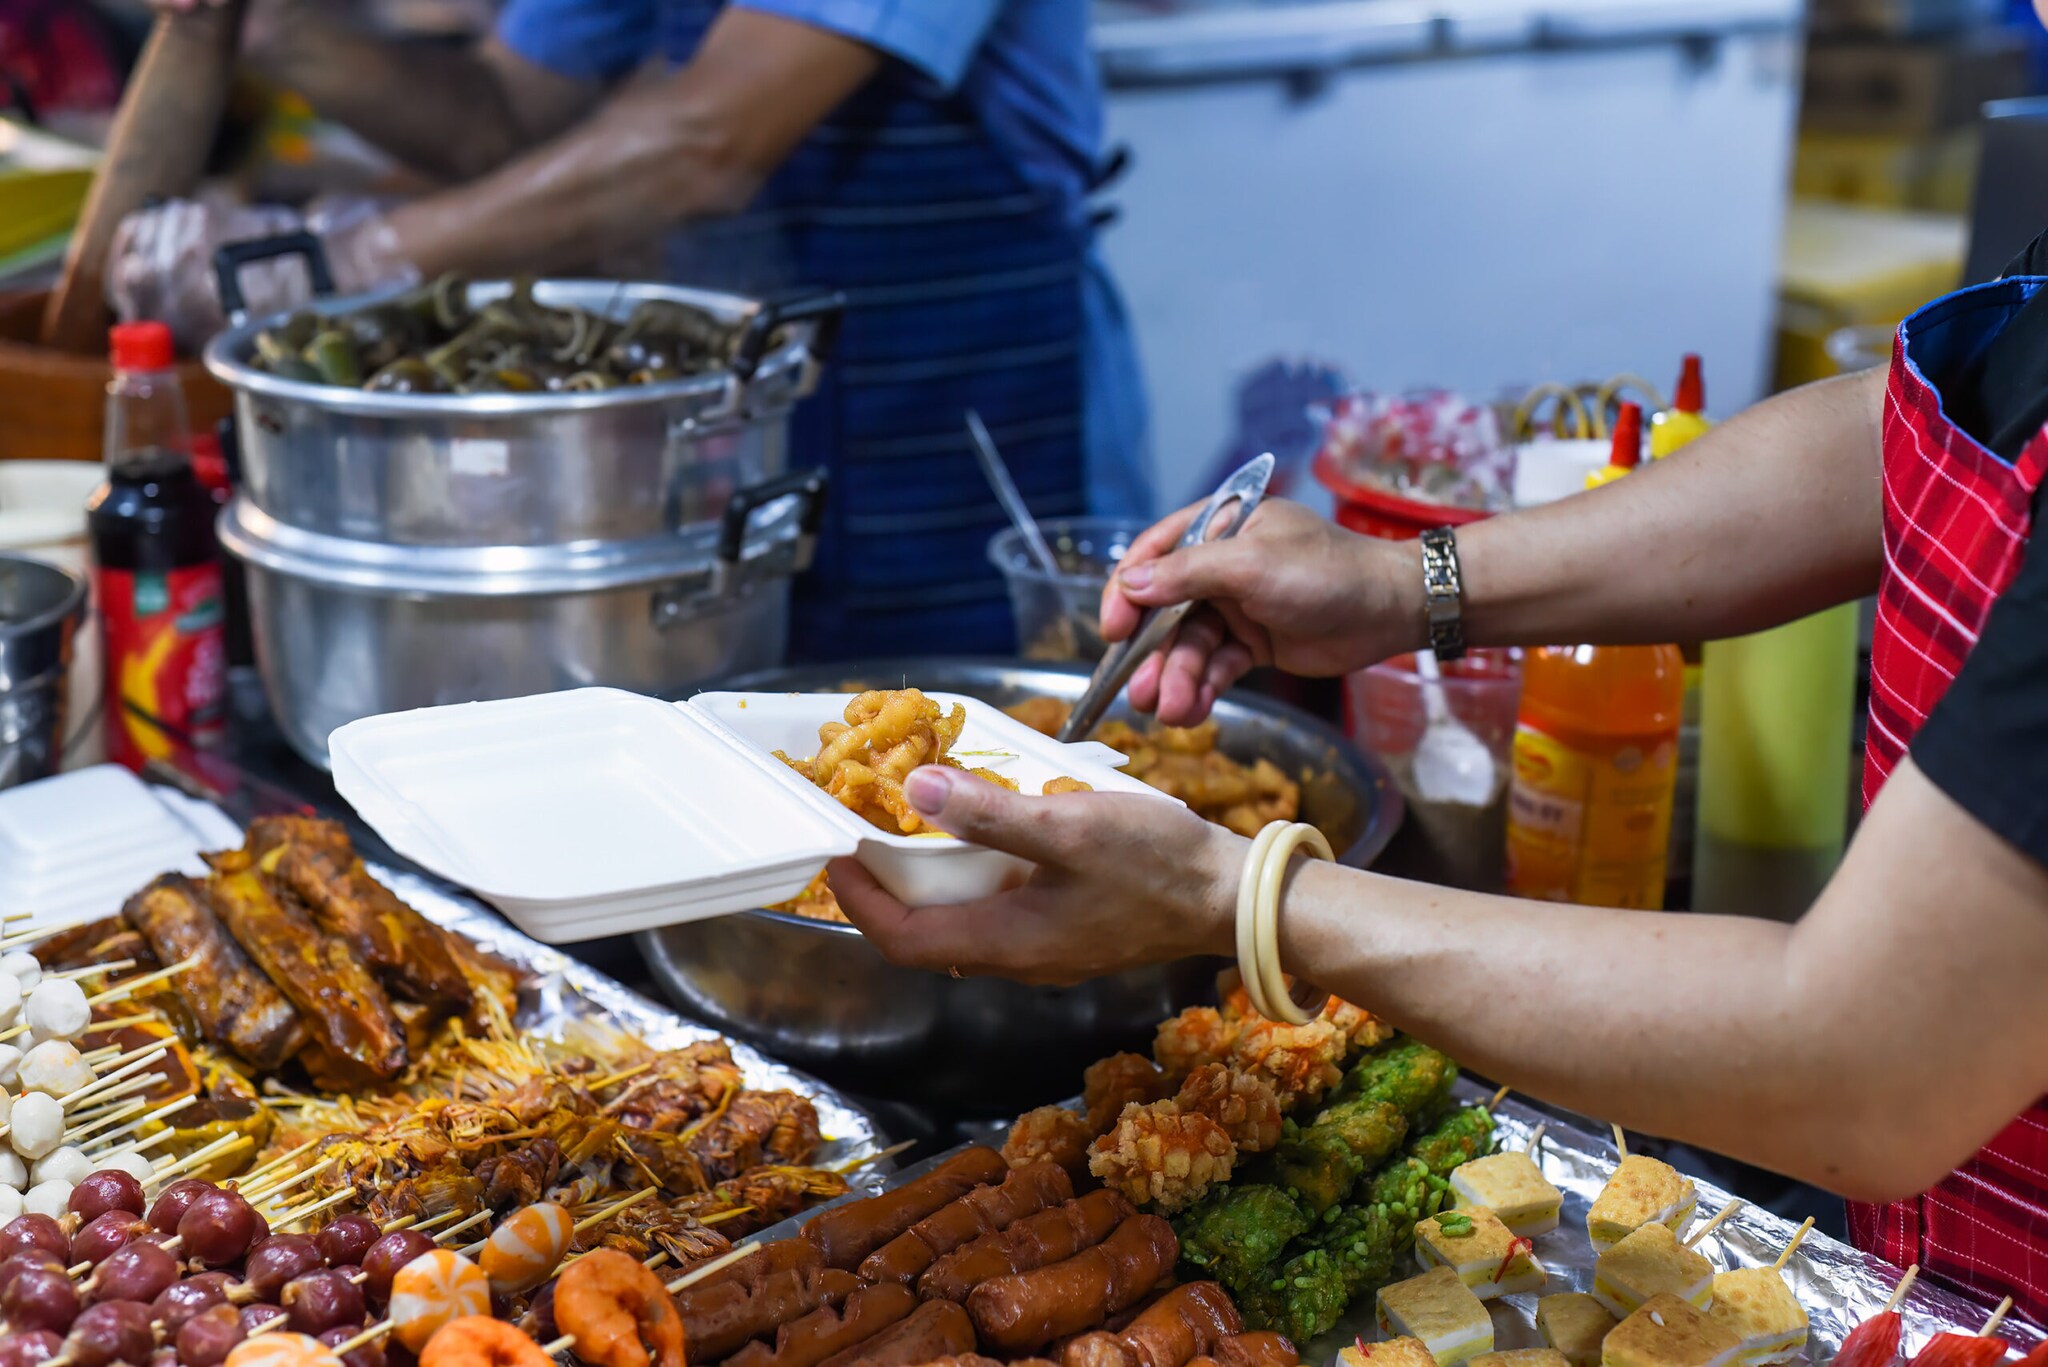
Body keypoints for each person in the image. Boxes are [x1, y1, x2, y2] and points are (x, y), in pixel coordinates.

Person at [831, 222, 2048, 1317]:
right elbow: (1904, 438)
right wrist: (1399, 584)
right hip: (1923, 1256)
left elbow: (1859, 1061)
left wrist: (1237, 895)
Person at [113, 0, 1155, 659]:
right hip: (732, 439)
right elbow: (505, 115)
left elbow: (705, 141)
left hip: (956, 417)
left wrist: (342, 260)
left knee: (962, 801)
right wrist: (272, 27)